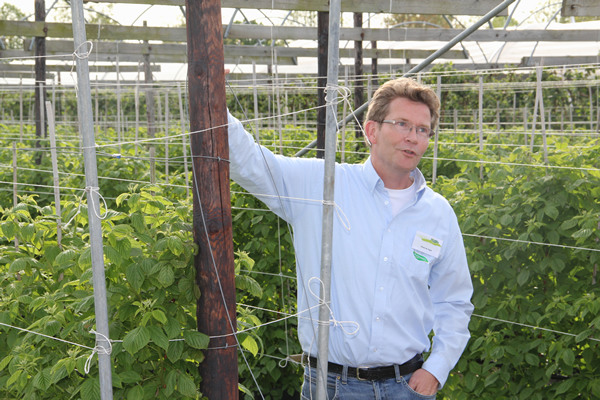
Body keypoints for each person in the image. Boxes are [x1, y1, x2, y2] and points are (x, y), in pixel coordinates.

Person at [227, 77, 474, 399]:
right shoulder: (323, 185)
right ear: (371, 131)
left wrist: (436, 369)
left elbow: (454, 301)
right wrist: (213, 95)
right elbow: (249, 163)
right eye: (402, 124)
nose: (412, 137)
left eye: (422, 129)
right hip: (331, 386)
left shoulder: (438, 213)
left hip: (407, 386)